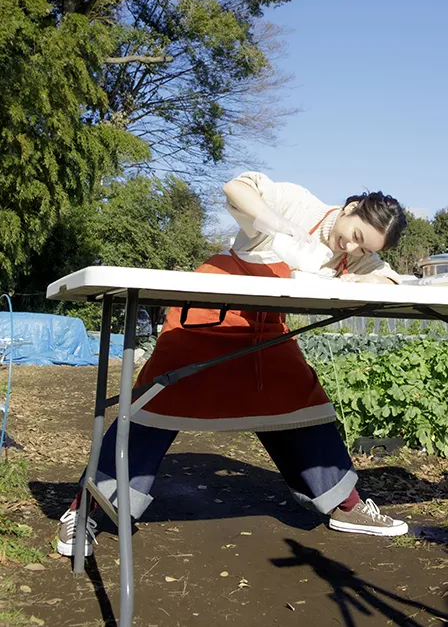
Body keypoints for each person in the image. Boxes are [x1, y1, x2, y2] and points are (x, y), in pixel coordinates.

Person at [57, 172, 408, 557]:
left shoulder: (354, 256)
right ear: (351, 208)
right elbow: (236, 189)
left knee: (302, 402)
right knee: (152, 407)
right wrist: (282, 226)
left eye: (364, 249)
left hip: (266, 328)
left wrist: (362, 283)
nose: (353, 249)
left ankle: (346, 505)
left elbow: (389, 281)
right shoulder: (296, 201)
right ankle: (83, 509)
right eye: (355, 236)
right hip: (210, 312)